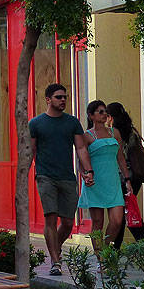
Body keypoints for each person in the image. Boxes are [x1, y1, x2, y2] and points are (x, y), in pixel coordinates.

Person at [29, 83, 95, 276]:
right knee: (50, 216)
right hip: (45, 176)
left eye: (65, 97)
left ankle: (54, 248)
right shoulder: (36, 123)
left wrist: (88, 170)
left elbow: (81, 148)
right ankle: (55, 262)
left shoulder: (72, 122)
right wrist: (32, 171)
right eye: (59, 97)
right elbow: (31, 150)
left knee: (67, 222)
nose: (63, 100)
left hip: (67, 176)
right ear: (48, 99)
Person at [78, 100, 132, 255]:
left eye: (105, 112)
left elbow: (120, 157)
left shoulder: (114, 132)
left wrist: (127, 180)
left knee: (117, 221)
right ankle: (100, 259)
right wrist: (84, 174)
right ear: (91, 115)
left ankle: (106, 251)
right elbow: (81, 159)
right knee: (97, 222)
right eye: (100, 112)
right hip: (95, 182)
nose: (104, 115)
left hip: (113, 181)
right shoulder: (87, 136)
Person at [105, 102, 144, 248]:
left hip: (122, 179)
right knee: (124, 215)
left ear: (111, 117)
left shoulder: (115, 133)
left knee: (124, 216)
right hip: (134, 178)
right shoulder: (131, 131)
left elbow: (119, 157)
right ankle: (116, 250)